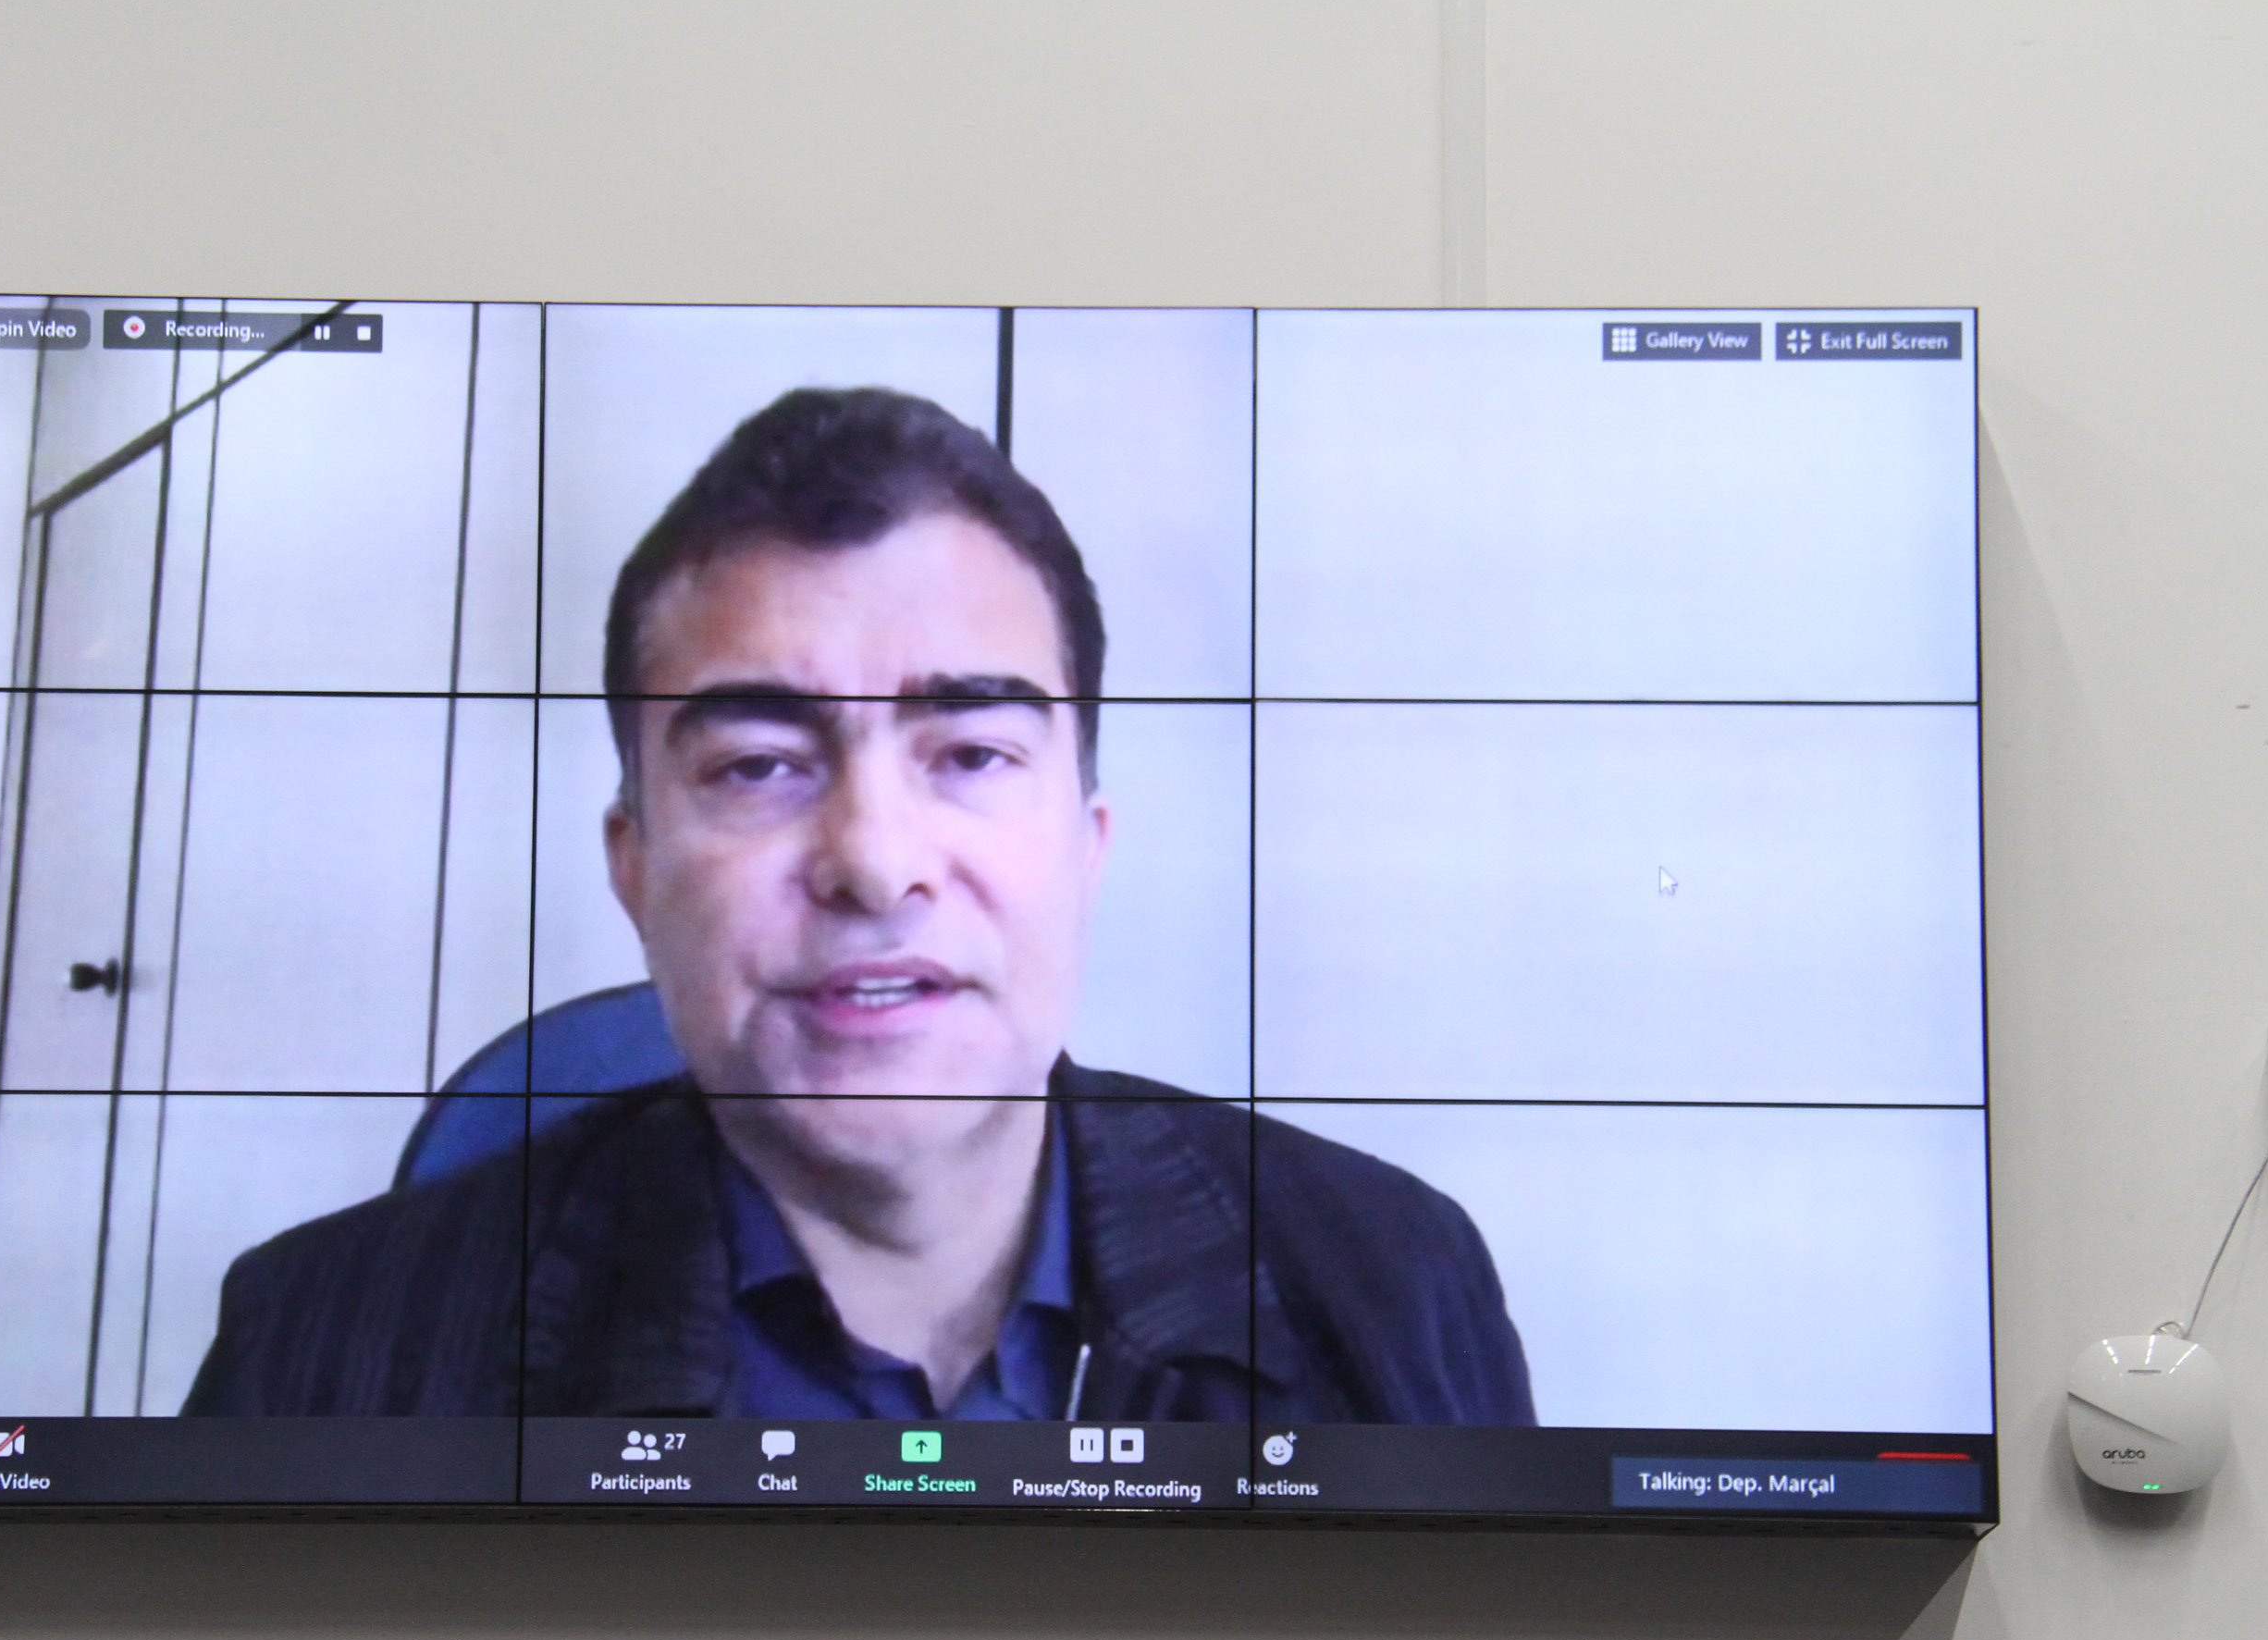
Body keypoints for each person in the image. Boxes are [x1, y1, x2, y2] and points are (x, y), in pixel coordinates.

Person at [184, 387, 1533, 1425]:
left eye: (972, 755)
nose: (877, 865)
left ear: (1086, 847)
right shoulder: (319, 1348)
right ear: (634, 867)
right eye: (760, 766)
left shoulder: (1390, 1288)